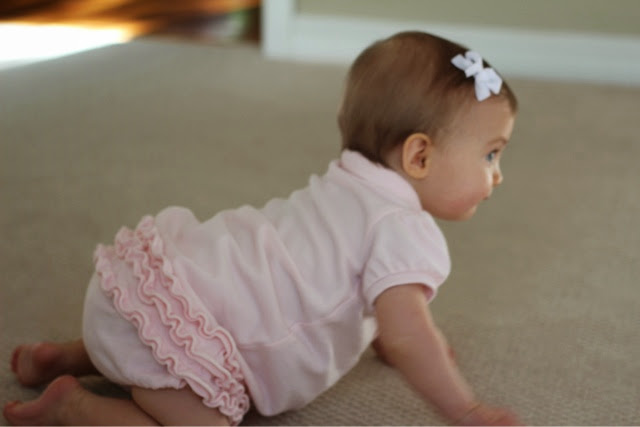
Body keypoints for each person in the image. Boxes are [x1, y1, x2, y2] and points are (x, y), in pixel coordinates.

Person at [4, 31, 521, 426]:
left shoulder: (349, 181)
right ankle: (75, 407)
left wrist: (380, 336)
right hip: (197, 334)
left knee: (159, 330)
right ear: (419, 156)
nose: (497, 174)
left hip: (143, 289)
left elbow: (372, 299)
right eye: (490, 154)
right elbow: (411, 338)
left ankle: (69, 354)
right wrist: (466, 409)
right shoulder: (404, 230)